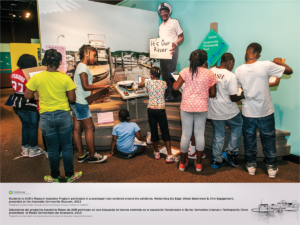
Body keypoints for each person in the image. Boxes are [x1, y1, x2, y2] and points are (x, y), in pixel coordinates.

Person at [235, 43, 293, 178]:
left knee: (249, 139)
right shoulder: (266, 65)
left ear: (246, 52)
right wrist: (276, 62)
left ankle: (251, 166)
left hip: (248, 112)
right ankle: (271, 167)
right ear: (259, 55)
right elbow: (289, 70)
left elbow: (238, 91)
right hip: (265, 110)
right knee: (268, 139)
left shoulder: (238, 69)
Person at [25, 49, 82, 183]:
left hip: (46, 117)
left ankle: (54, 176)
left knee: (52, 148)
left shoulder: (37, 77)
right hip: (63, 115)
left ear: (45, 61)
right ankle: (69, 175)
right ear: (59, 62)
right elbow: (72, 99)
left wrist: (39, 92)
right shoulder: (64, 77)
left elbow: (27, 95)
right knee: (67, 147)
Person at [173, 49, 217, 172]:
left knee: (185, 134)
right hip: (201, 107)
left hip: (186, 106)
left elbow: (176, 87)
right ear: (204, 60)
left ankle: (182, 163)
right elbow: (213, 93)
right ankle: (198, 164)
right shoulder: (210, 73)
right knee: (199, 134)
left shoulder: (186, 71)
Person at [70, 44, 109, 163]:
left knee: (77, 129)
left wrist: (97, 83)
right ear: (86, 53)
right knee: (90, 127)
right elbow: (86, 86)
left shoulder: (79, 66)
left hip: (76, 102)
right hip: (81, 103)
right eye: (94, 55)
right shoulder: (83, 67)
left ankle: (81, 155)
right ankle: (92, 156)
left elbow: (85, 82)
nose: (95, 58)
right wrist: (104, 86)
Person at [208, 53, 244, 169]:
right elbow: (233, 97)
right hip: (228, 110)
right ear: (230, 62)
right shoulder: (230, 76)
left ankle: (216, 160)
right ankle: (230, 152)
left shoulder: (210, 71)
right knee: (238, 125)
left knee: (219, 134)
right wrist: (242, 96)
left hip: (213, 110)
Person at [10, 54, 44, 158]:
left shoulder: (14, 73)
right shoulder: (30, 74)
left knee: (25, 126)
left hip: (17, 102)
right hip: (30, 102)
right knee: (33, 127)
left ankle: (25, 149)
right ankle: (33, 149)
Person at [138, 66, 174, 163]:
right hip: (161, 109)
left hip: (151, 109)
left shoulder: (148, 82)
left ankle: (156, 152)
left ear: (151, 75)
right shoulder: (164, 83)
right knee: (165, 131)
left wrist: (143, 80)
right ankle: (169, 155)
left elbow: (139, 85)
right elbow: (164, 91)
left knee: (154, 130)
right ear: (160, 75)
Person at [157, 2, 184, 101]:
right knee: (164, 73)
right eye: (161, 12)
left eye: (165, 11)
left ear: (169, 12)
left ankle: (175, 93)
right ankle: (167, 93)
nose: (163, 13)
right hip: (163, 52)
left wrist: (175, 44)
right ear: (160, 13)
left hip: (172, 49)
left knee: (171, 72)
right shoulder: (160, 26)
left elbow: (181, 37)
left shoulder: (174, 22)